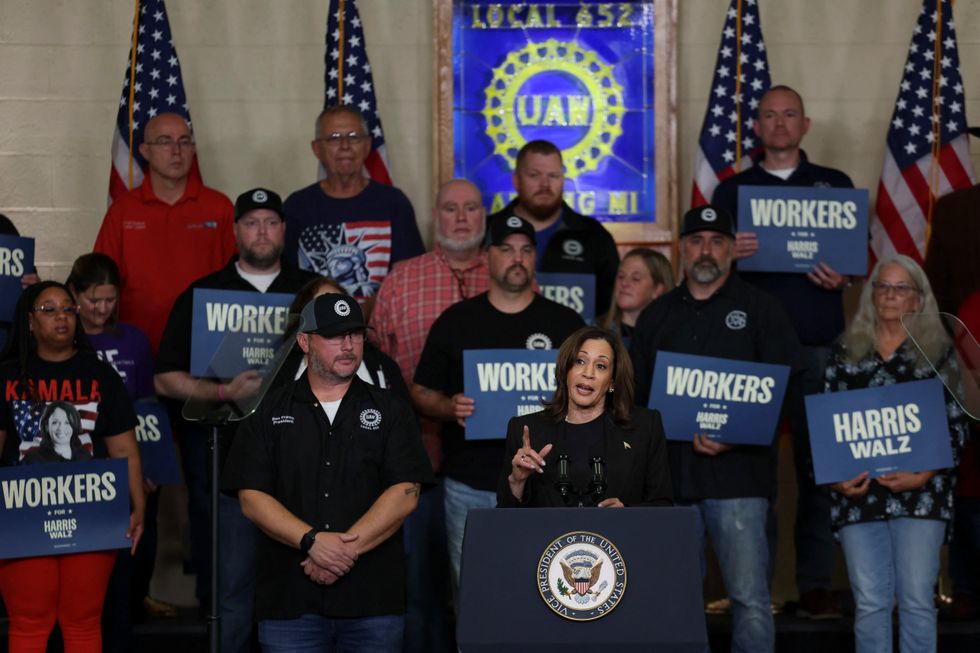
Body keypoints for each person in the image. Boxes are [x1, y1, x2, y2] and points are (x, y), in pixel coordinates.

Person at [630, 205, 801, 653]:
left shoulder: (763, 310)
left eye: (717, 241)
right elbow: (638, 401)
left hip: (741, 482)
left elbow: (791, 385)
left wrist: (739, 432)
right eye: (696, 241)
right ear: (682, 249)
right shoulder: (656, 316)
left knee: (750, 599)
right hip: (673, 482)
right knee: (676, 601)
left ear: (731, 249)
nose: (706, 251)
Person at [711, 85, 854, 618]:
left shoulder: (833, 185)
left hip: (818, 346)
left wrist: (842, 278)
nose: (779, 123)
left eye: (789, 114)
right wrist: (728, 254)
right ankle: (758, 590)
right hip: (751, 353)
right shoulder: (731, 192)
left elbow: (850, 268)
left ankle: (814, 584)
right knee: (755, 476)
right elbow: (703, 268)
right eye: (768, 115)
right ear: (756, 127)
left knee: (822, 471)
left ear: (805, 124)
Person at [221, 293, 433, 652]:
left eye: (355, 334)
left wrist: (339, 552)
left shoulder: (391, 409)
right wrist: (312, 541)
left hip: (372, 603)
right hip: (290, 602)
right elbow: (252, 497)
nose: (348, 345)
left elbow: (405, 492)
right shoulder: (268, 409)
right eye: (335, 335)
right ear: (304, 341)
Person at [154, 187, 317, 652]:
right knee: (233, 585)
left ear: (284, 230)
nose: (261, 231)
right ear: (235, 231)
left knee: (300, 583)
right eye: (251, 222)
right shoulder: (204, 294)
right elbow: (165, 379)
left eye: (270, 222)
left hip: (308, 461)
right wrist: (223, 392)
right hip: (229, 462)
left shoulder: (308, 291)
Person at [412, 215, 584, 589]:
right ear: (487, 257)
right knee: (475, 594)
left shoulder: (565, 322)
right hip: (472, 483)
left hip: (550, 484)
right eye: (506, 249)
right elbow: (421, 391)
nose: (517, 258)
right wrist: (448, 407)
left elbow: (595, 394)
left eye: (525, 249)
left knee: (551, 589)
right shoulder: (456, 321)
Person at [823, 255, 969, 653]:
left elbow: (959, 424)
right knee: (870, 604)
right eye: (881, 286)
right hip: (857, 498)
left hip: (923, 495)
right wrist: (836, 475)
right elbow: (825, 427)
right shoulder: (844, 352)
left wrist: (925, 472)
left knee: (918, 603)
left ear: (918, 298)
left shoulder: (940, 353)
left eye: (900, 287)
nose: (889, 295)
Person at [368, 178, 488, 652]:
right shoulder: (402, 278)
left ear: (485, 217)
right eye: (451, 208)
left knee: (484, 586)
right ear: (434, 217)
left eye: (472, 209)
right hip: (413, 461)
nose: (461, 217)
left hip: (485, 467)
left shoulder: (507, 275)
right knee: (418, 589)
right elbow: (373, 363)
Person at [0, 281, 144, 652]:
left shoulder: (101, 375)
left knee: (82, 621)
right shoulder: (8, 375)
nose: (61, 317)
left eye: (67, 309)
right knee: (30, 621)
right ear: (29, 322)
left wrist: (137, 507)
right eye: (48, 310)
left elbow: (123, 448)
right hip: (21, 514)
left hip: (92, 513)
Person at [66, 253, 172, 649]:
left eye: (110, 300)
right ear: (74, 294)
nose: (102, 309)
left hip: (129, 467)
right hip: (80, 471)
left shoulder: (133, 340)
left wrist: (151, 467)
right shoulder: (64, 337)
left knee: (134, 558)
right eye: (93, 300)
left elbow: (148, 410)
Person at [94, 112, 237, 354]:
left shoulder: (219, 207)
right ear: (144, 151)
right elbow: (99, 281)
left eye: (184, 141)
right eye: (164, 141)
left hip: (205, 348)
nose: (176, 150)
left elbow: (239, 277)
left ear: (193, 150)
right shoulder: (123, 211)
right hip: (136, 347)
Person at [498, 326, 672, 508]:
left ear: (612, 381)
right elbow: (503, 522)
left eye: (601, 366)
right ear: (566, 370)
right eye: (580, 361)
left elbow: (662, 505)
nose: (588, 373)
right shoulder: (525, 429)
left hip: (619, 535)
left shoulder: (645, 426)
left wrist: (626, 514)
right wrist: (517, 482)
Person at [283, 106, 425, 310]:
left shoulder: (394, 203)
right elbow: (283, 277)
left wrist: (364, 313)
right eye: (333, 138)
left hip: (377, 330)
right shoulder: (296, 206)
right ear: (317, 149)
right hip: (314, 331)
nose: (345, 145)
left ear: (367, 145)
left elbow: (408, 277)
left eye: (353, 136)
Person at [487, 140, 620, 313]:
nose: (545, 185)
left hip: (573, 338)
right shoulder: (487, 230)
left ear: (563, 180)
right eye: (534, 175)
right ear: (516, 180)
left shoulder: (593, 236)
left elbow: (609, 310)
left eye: (553, 176)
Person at [595, 248, 674, 344]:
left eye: (635, 278)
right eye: (621, 276)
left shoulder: (671, 336)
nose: (624, 283)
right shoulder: (595, 331)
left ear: (657, 289)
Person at [23, 401, 91, 463]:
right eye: (55, 423)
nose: (61, 428)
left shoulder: (85, 457)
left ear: (74, 425)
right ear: (47, 426)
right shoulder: (32, 460)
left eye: (67, 422)